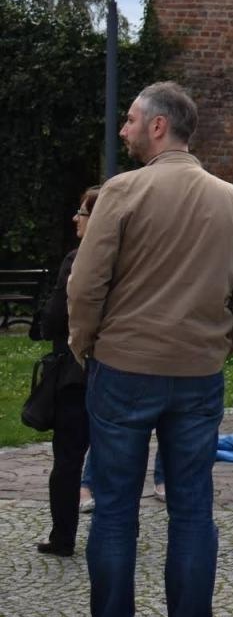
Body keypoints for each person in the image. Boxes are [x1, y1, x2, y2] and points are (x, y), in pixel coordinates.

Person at [67, 82, 233, 617]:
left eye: (131, 120)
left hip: (123, 367)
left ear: (159, 127)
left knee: (113, 507)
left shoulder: (121, 193)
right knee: (190, 508)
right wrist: (222, 344)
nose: (124, 130)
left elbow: (86, 286)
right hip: (198, 371)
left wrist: (87, 346)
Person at [34, 186, 98, 556]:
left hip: (76, 371)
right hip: (121, 369)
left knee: (68, 458)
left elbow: (54, 318)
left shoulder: (79, 259)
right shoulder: (133, 260)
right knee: (117, 456)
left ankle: (63, 536)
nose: (75, 218)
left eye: (82, 212)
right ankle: (122, 531)